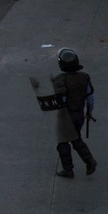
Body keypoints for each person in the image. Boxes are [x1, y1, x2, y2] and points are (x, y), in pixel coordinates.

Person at [36, 47, 97, 178]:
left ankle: (69, 169)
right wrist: (89, 112)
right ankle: (89, 160)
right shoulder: (84, 78)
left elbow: (61, 100)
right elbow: (90, 99)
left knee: (63, 142)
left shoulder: (60, 80)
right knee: (75, 138)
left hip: (65, 115)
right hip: (79, 114)